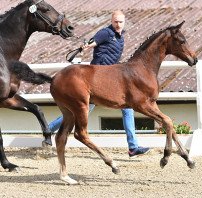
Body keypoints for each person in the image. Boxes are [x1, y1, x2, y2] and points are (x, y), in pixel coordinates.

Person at [49, 10, 150, 157]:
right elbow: (93, 42)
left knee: (127, 109)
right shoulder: (106, 33)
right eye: (115, 21)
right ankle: (49, 128)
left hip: (112, 77)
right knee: (80, 111)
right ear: (111, 20)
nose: (118, 24)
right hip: (98, 78)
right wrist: (87, 46)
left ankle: (133, 147)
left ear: (124, 22)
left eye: (120, 22)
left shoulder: (120, 36)